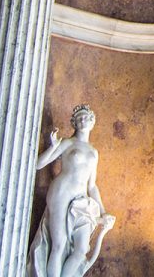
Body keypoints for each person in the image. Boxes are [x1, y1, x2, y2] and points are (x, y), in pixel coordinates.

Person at [29, 105, 116, 277]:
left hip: (82, 200)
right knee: (59, 245)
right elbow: (39, 164)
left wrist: (104, 212)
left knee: (81, 250)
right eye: (79, 118)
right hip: (62, 192)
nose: (83, 120)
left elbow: (92, 185)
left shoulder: (94, 152)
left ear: (92, 122)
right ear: (74, 123)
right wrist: (53, 148)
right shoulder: (67, 143)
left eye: (86, 117)